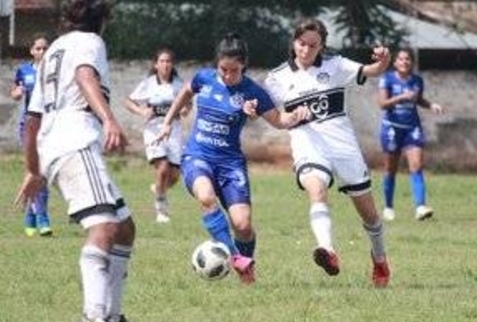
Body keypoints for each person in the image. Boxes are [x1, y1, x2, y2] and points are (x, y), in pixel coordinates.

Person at [14, 0, 146, 322]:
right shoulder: (89, 42)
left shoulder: (52, 51)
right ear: (100, 19)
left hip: (57, 147)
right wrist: (109, 120)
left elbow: (32, 120)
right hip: (76, 142)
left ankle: (113, 316)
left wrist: (34, 169)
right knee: (103, 227)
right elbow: (85, 78)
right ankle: (94, 316)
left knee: (124, 227)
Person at [155, 33, 310, 284]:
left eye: (234, 71)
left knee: (243, 225)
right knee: (206, 197)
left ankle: (247, 273)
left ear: (244, 66)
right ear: (217, 64)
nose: (228, 75)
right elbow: (185, 91)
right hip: (198, 155)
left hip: (230, 164)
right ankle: (237, 258)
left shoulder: (252, 92)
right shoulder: (204, 78)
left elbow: (279, 121)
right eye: (223, 69)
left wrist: (296, 115)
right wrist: (166, 122)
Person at [263, 17, 392, 287]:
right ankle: (327, 250)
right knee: (317, 191)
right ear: (293, 42)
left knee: (368, 213)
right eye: (302, 44)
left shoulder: (337, 66)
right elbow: (275, 118)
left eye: (313, 45)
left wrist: (383, 59)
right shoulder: (276, 78)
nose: (306, 50)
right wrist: (287, 116)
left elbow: (374, 70)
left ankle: (380, 259)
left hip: (343, 146)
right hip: (308, 145)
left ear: (322, 46)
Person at [377, 48, 445, 222]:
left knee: (416, 166)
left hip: (412, 128)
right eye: (401, 59)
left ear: (412, 63)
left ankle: (420, 207)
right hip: (392, 128)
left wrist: (431, 105)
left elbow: (419, 100)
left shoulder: (417, 81)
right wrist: (400, 98)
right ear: (395, 62)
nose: (404, 62)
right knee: (390, 169)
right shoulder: (387, 79)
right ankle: (388, 207)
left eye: (408, 59)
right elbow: (382, 104)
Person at [125, 48, 188, 223]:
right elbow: (128, 101)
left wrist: (185, 109)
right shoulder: (148, 83)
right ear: (156, 64)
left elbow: (187, 103)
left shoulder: (179, 84)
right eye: (162, 61)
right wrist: (141, 110)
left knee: (174, 175)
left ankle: (159, 188)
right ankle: (161, 210)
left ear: (172, 64)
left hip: (174, 130)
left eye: (168, 61)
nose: (165, 64)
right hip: (154, 130)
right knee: (162, 169)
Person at [10, 33, 53, 237]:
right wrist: (17, 93)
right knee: (33, 170)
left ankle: (34, 216)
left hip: (49, 126)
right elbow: (15, 91)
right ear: (32, 51)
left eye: (45, 48)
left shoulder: (55, 72)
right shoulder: (24, 71)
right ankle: (40, 218)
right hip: (28, 125)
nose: (42, 52)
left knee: (42, 172)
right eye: (38, 48)